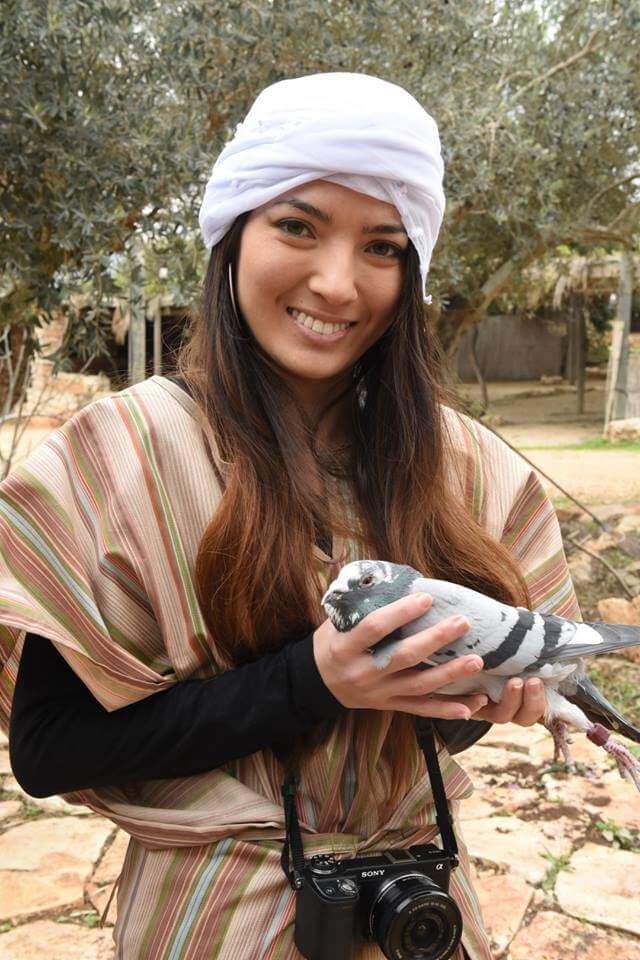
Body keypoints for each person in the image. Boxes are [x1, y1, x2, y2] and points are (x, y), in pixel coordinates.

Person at [0, 73, 579, 960]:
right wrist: (311, 680)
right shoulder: (123, 454)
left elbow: (426, 733)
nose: (338, 284)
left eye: (382, 246)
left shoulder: (465, 468)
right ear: (235, 232)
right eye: (298, 226)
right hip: (213, 923)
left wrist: (479, 701)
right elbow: (49, 751)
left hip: (414, 910)